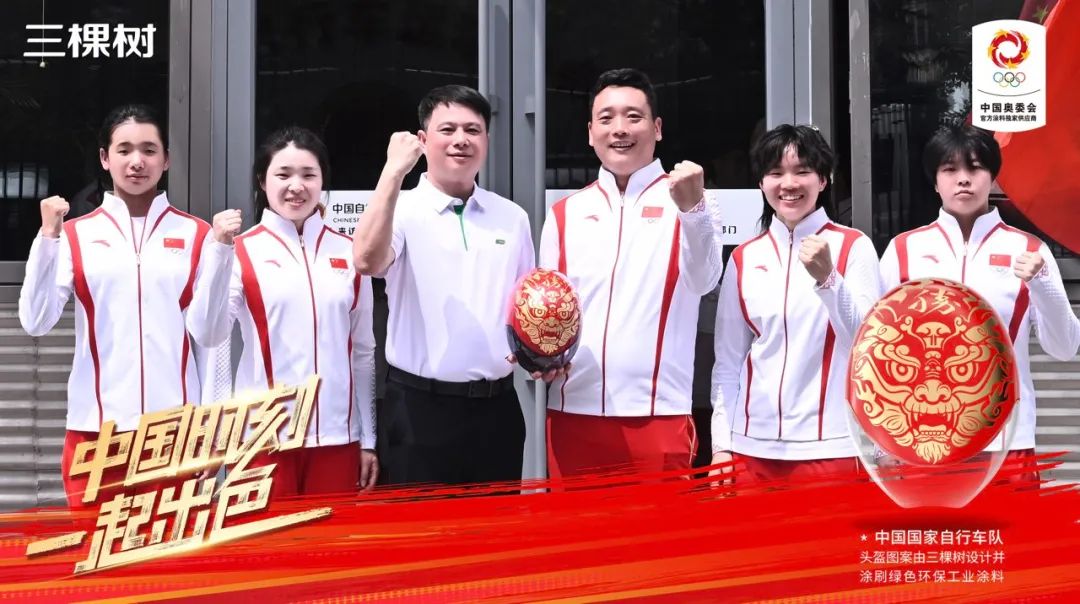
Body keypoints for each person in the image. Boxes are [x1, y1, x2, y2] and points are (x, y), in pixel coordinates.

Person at [19, 104, 214, 507]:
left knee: (173, 549)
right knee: (96, 548)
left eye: (149, 150)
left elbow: (211, 342)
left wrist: (210, 423)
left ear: (166, 159)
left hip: (174, 433)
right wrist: (47, 238)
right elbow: (36, 320)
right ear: (105, 159)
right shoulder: (75, 235)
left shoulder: (198, 234)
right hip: (95, 430)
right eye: (124, 150)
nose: (136, 161)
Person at [537, 68, 723, 479]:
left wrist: (693, 210)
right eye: (606, 118)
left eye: (633, 117)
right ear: (591, 133)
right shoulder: (565, 213)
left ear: (657, 128)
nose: (619, 129)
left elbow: (705, 280)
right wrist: (541, 357)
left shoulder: (691, 200)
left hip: (658, 415)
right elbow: (550, 313)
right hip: (572, 413)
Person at [352, 85, 534, 486]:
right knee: (421, 526)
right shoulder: (400, 209)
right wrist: (392, 172)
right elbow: (366, 260)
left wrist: (544, 356)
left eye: (473, 129)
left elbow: (525, 304)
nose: (460, 140)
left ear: (487, 140)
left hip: (497, 410)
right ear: (422, 140)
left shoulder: (512, 217)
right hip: (418, 410)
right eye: (447, 129)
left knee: (495, 526)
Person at [879, 123, 1080, 484]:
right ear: (935, 181)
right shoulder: (903, 251)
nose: (963, 179)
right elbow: (878, 352)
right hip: (923, 441)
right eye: (949, 169)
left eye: (975, 168)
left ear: (993, 176)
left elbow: (1065, 347)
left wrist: (1043, 283)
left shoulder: (1029, 251)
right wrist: (883, 442)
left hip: (1007, 440)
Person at [188, 126, 378, 496]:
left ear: (322, 181)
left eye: (308, 175)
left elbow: (363, 351)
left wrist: (368, 438)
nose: (296, 186)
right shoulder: (240, 250)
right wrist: (219, 250)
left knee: (334, 537)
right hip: (261, 440)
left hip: (336, 438)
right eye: (283, 174)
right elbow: (208, 333)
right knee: (265, 538)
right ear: (263, 181)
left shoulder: (350, 252)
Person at [709, 124, 882, 485]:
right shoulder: (744, 257)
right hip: (751, 449)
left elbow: (867, 347)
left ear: (823, 179)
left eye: (802, 171)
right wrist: (721, 444)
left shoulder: (854, 247)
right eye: (775, 173)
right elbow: (728, 361)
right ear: (761, 183)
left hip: (831, 448)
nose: (788, 184)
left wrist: (829, 280)